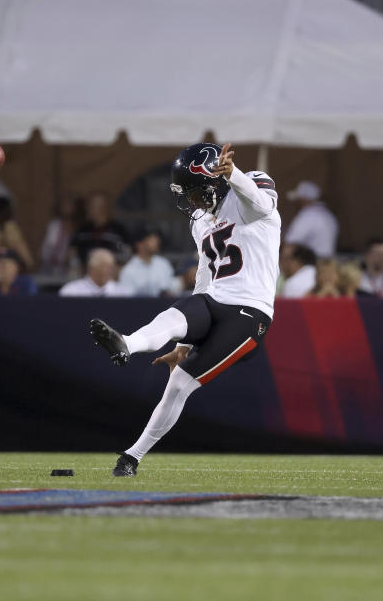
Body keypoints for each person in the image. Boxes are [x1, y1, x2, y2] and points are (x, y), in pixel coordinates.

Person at [89, 143, 280, 477]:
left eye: (194, 192)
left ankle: (132, 455)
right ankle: (128, 344)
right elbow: (205, 276)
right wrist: (184, 342)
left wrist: (232, 173)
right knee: (174, 316)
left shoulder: (249, 191)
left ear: (214, 180)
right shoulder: (202, 221)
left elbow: (261, 204)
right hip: (214, 298)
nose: (191, 201)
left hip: (249, 313)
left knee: (179, 384)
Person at [70, 191, 130, 267]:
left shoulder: (118, 230)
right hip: (86, 275)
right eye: (88, 206)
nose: (88, 209)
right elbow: (72, 253)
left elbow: (127, 255)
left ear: (104, 207)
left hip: (111, 274)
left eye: (92, 206)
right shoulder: (82, 230)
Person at [284, 181, 338, 258]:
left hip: (313, 264)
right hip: (328, 263)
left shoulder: (307, 216)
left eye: (298, 200)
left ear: (304, 199)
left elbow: (290, 245)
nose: (295, 204)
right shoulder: (329, 215)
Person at [118, 228, 177, 296]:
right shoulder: (128, 270)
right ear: (139, 244)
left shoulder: (164, 263)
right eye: (151, 238)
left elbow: (172, 289)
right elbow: (126, 301)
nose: (157, 241)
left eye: (156, 238)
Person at [0, 196, 34, 271]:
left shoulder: (10, 226)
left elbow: (21, 249)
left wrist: (27, 263)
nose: (12, 214)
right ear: (1, 211)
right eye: (9, 210)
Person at [60, 248, 132, 297]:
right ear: (91, 268)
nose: (106, 271)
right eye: (102, 266)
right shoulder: (70, 291)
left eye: (110, 267)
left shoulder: (123, 293)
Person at [40, 195, 80, 276]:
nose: (66, 208)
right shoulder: (54, 226)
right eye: (64, 205)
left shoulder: (79, 228)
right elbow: (44, 250)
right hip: (50, 270)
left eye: (69, 204)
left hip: (72, 272)